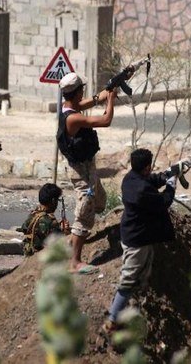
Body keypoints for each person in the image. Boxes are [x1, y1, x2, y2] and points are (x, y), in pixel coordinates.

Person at [102, 148, 177, 334]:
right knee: (128, 279)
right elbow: (163, 202)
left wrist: (167, 174)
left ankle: (133, 309)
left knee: (141, 275)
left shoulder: (130, 179)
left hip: (136, 235)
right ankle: (112, 321)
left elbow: (150, 179)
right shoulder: (142, 190)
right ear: (147, 166)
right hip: (137, 241)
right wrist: (171, 185)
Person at [56, 72, 118, 274]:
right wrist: (111, 100)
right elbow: (105, 120)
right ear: (76, 92)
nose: (83, 92)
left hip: (87, 168)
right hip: (80, 172)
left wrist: (108, 88)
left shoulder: (69, 106)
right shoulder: (73, 118)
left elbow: (92, 100)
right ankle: (74, 261)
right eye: (81, 89)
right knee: (85, 210)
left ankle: (76, 238)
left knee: (100, 200)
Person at [20, 183, 69, 255]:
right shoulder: (51, 222)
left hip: (30, 253)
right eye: (57, 201)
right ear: (53, 201)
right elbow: (60, 243)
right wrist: (65, 231)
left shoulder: (33, 215)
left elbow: (25, 228)